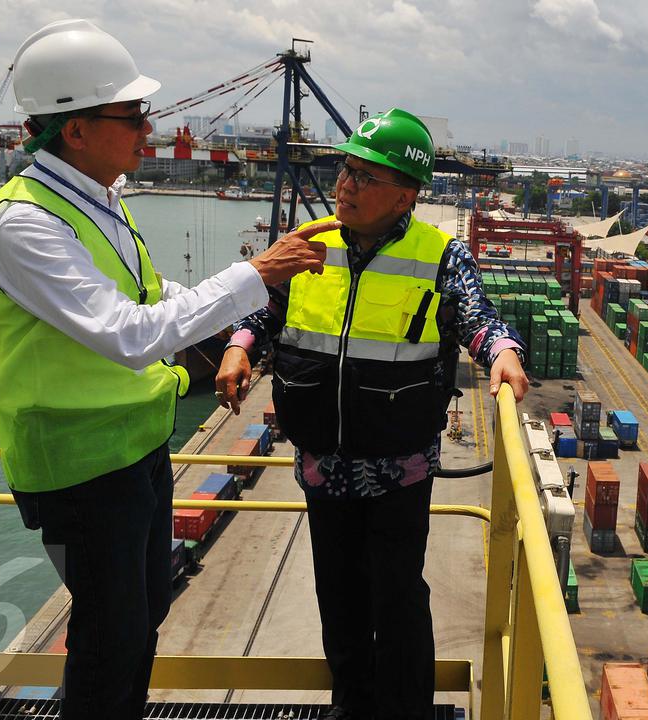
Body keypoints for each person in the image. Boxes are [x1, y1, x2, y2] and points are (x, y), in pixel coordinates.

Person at [0, 19, 337, 719]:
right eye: (132, 114)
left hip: (135, 447)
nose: (150, 129)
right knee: (110, 635)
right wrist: (256, 274)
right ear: (77, 129)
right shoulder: (23, 223)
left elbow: (149, 293)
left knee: (143, 616)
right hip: (76, 464)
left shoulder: (97, 199)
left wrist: (233, 326)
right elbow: (128, 334)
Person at [216, 108, 529, 719]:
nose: (345, 186)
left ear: (405, 196)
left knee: (398, 596)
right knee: (338, 596)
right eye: (345, 171)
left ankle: (405, 711)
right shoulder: (311, 243)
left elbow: (477, 317)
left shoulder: (440, 255)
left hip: (397, 467)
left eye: (365, 176)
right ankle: (352, 705)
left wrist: (502, 353)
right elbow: (266, 308)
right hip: (322, 462)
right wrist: (239, 346)